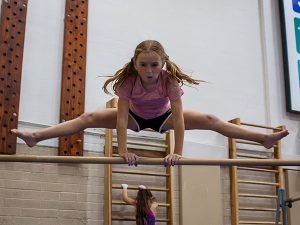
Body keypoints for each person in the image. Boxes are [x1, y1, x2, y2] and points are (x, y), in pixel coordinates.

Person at [11, 40, 289, 166]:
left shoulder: (169, 82)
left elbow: (178, 119)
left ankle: (262, 139)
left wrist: (177, 152)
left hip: (164, 118)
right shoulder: (128, 82)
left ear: (163, 63)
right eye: (143, 64)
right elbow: (119, 118)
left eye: (154, 64)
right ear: (135, 63)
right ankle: (36, 135)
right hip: (133, 117)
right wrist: (123, 151)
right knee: (87, 118)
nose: (149, 70)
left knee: (212, 121)